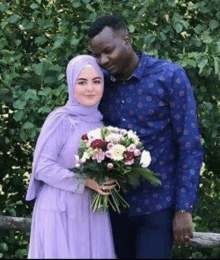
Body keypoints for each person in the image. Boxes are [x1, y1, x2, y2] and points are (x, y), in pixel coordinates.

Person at [87, 15, 204, 259]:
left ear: (126, 40)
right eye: (98, 56)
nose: (103, 60)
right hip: (114, 208)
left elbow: (189, 145)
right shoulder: (100, 85)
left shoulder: (169, 77)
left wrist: (184, 208)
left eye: (108, 51)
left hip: (157, 206)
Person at [25, 55, 117, 259]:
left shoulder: (100, 124)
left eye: (96, 81)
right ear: (70, 84)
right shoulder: (61, 119)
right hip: (59, 209)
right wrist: (86, 181)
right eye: (82, 82)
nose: (90, 89)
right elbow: (42, 167)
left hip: (90, 210)